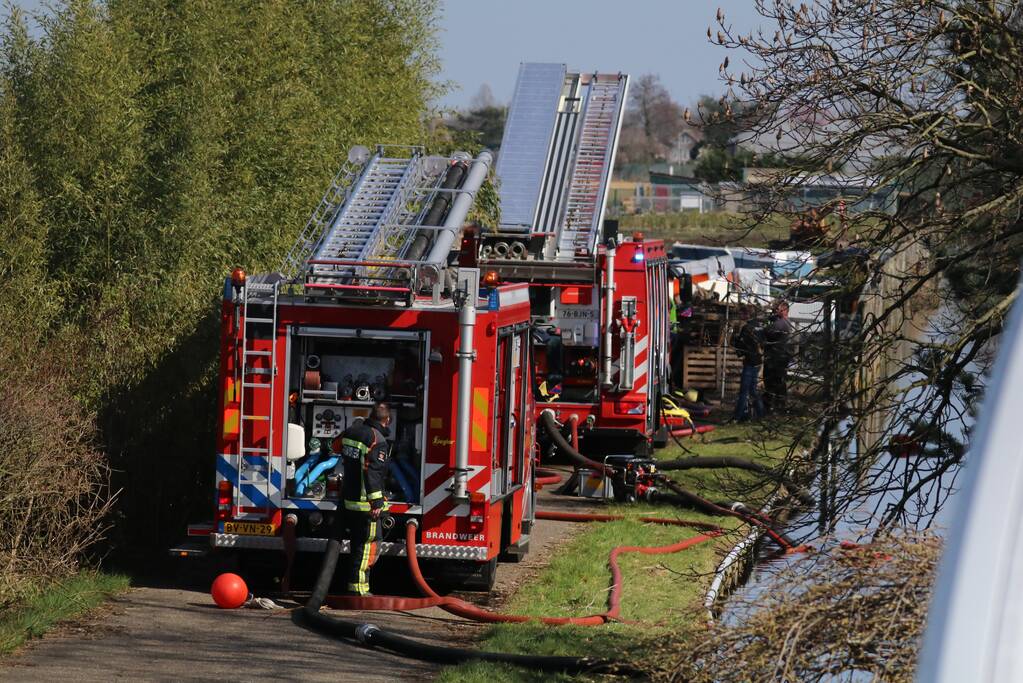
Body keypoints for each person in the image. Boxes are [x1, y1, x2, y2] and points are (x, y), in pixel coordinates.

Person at [337, 402, 392, 596]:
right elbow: (373, 473)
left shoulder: (352, 431)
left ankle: (354, 586)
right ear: (387, 420)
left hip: (347, 501)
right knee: (366, 547)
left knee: (355, 546)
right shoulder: (378, 440)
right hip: (364, 506)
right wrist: (376, 502)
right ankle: (359, 589)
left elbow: (335, 446)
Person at [731, 307, 765, 422]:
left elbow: (740, 346)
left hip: (750, 362)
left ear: (747, 314)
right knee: (753, 390)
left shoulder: (746, 328)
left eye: (741, 313)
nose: (740, 316)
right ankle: (760, 414)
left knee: (744, 391)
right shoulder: (759, 326)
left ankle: (737, 417)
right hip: (758, 362)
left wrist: (734, 337)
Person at [763, 301, 794, 414]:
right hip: (776, 357)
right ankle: (776, 406)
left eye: (778, 310)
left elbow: (767, 331)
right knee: (776, 383)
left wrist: (766, 323)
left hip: (777, 358)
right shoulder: (780, 322)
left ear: (785, 311)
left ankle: (774, 407)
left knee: (774, 383)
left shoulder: (782, 323)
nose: (775, 311)